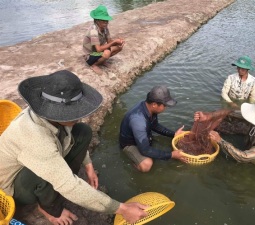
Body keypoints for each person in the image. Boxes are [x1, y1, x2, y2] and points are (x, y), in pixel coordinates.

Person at [0, 70, 147, 225]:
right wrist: (122, 209)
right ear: (58, 112)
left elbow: (72, 136)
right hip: (16, 184)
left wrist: (89, 167)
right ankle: (49, 208)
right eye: (74, 113)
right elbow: (69, 185)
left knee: (83, 131)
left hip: (38, 160)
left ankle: (57, 187)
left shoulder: (51, 115)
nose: (79, 116)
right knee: (47, 177)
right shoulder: (35, 139)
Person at [119, 85, 187, 172]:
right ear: (154, 104)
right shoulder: (138, 121)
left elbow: (155, 126)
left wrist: (173, 134)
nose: (165, 108)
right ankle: (135, 165)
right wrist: (171, 155)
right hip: (130, 144)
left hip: (141, 136)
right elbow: (145, 150)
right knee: (147, 164)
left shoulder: (149, 107)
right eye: (164, 105)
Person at [201, 96, 255, 164]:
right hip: (251, 134)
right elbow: (231, 112)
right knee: (225, 123)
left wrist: (220, 140)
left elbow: (243, 157)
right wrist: (210, 116)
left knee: (253, 162)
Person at [82, 5, 125, 74]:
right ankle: (94, 64)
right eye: (104, 21)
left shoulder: (105, 28)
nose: (106, 22)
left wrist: (118, 42)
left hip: (97, 51)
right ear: (97, 21)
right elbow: (98, 49)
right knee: (106, 53)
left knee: (119, 47)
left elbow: (109, 41)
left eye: (106, 20)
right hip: (90, 55)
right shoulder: (93, 31)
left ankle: (102, 61)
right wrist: (114, 42)